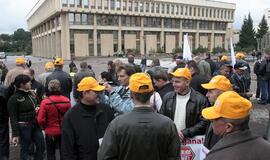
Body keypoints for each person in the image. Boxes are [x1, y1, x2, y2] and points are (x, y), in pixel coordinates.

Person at [98, 73, 180, 160]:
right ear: (152, 92)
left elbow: (105, 156)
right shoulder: (168, 124)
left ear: (131, 94)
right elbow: (174, 156)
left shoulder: (117, 124)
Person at [202, 91, 270, 160]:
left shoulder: (216, 156)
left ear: (228, 127)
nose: (211, 121)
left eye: (213, 120)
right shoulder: (266, 148)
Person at [61, 77, 114, 159]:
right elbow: (67, 149)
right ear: (85, 93)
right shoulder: (71, 116)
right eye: (96, 92)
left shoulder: (106, 110)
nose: (99, 94)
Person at [160, 68, 209, 140]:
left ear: (187, 82)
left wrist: (185, 133)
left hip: (190, 142)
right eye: (173, 81)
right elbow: (162, 118)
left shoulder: (200, 99)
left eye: (177, 82)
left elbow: (204, 123)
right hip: (170, 138)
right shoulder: (168, 97)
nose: (173, 84)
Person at [8, 74, 45, 160]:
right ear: (22, 84)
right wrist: (15, 135)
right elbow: (13, 118)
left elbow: (37, 104)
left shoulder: (31, 94)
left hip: (35, 124)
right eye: (28, 82)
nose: (31, 84)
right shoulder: (13, 99)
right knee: (26, 149)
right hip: (24, 127)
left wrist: (37, 108)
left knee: (41, 145)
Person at [37, 79, 71, 160]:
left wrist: (44, 127)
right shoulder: (66, 100)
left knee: (51, 153)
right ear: (59, 88)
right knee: (64, 152)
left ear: (49, 88)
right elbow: (70, 117)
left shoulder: (45, 102)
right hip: (64, 131)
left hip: (50, 131)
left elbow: (40, 120)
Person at [201, 75, 233, 149]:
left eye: (211, 92)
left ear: (222, 94)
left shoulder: (229, 116)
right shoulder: (213, 109)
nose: (206, 95)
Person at [0, 85, 9, 160]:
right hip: (2, 119)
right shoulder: (4, 89)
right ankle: (4, 157)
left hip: (3, 118)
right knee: (3, 140)